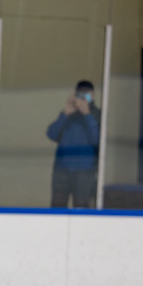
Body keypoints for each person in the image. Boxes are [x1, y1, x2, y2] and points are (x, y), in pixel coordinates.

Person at [46, 80, 101, 208]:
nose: (83, 98)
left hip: (85, 170)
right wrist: (65, 114)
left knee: (82, 208)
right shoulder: (68, 114)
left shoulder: (97, 115)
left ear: (92, 96)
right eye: (80, 94)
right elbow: (51, 134)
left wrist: (87, 114)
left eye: (86, 95)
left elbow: (97, 140)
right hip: (62, 169)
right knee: (57, 208)